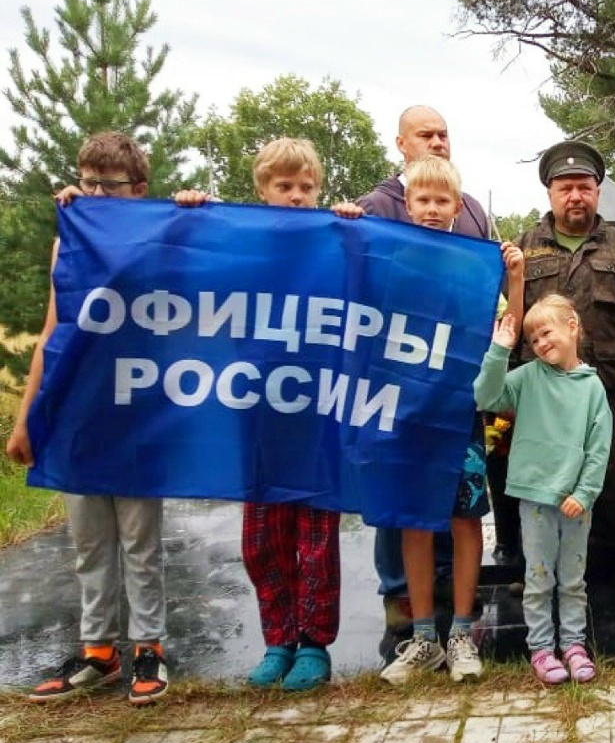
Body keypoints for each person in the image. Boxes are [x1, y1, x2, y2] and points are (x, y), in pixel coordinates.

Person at [177, 138, 362, 691]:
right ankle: (277, 639)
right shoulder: (238, 244)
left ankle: (314, 645)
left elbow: (366, 287)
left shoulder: (334, 241)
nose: (298, 196)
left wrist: (355, 232)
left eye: (307, 187)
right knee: (262, 538)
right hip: (254, 412)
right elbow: (188, 275)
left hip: (318, 414)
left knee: (315, 535)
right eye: (285, 187)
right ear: (262, 190)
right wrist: (191, 216)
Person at [7, 132, 169, 706]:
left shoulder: (162, 238)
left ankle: (149, 648)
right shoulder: (66, 246)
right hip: (76, 416)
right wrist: (26, 418)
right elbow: (52, 337)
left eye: (111, 184)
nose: (96, 192)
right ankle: (98, 650)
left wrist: (194, 208)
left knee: (139, 542)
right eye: (89, 180)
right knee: (89, 543)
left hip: (139, 416)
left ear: (140, 190)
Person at [380, 156, 524, 685]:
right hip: (407, 414)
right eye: (423, 200)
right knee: (416, 522)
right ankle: (423, 638)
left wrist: (516, 278)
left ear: (459, 206)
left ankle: (461, 632)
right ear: (408, 205)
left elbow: (508, 326)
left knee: (465, 522)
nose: (434, 209)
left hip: (458, 415)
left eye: (444, 201)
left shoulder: (474, 263)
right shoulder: (392, 258)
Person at [359, 106, 491, 633]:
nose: (437, 142)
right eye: (425, 134)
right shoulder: (374, 205)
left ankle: (448, 596)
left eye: (443, 134)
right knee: (401, 502)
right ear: (400, 143)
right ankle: (401, 596)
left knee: (457, 501)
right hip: (398, 385)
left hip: (453, 384)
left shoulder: (475, 209)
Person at [517, 141, 615, 619]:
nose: (575, 195)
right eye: (566, 188)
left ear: (597, 191)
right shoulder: (524, 246)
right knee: (548, 490)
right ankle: (549, 587)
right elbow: (509, 318)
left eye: (584, 187)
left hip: (607, 391)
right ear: (550, 191)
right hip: (542, 397)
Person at [474, 296, 612, 684]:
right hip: (535, 497)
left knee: (572, 579)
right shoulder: (528, 377)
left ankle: (573, 644)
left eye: (545, 332)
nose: (540, 343)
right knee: (537, 578)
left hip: (575, 502)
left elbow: (599, 448)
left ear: (572, 326)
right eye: (532, 339)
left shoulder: (592, 388)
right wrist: (500, 350)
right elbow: (485, 397)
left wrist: (584, 493)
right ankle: (541, 649)